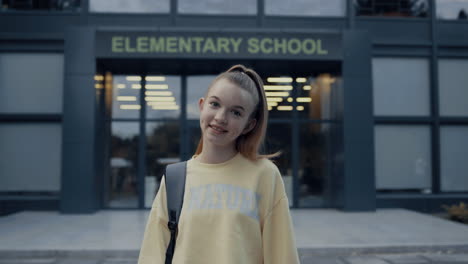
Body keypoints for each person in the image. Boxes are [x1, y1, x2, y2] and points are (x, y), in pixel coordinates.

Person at [137, 64, 300, 264]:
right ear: (201, 106)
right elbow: (152, 255)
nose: (221, 118)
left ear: (249, 125)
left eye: (236, 113)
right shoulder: (175, 178)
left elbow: (283, 258)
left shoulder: (264, 175)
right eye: (215, 104)